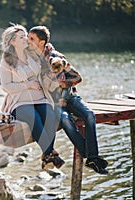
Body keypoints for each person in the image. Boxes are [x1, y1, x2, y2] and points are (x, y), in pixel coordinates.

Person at [27, 25, 108, 174]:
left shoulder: (57, 58)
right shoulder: (32, 59)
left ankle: (92, 158)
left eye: (31, 38)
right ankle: (92, 158)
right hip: (54, 103)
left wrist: (63, 83)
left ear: (42, 42)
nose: (28, 40)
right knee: (65, 121)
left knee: (89, 115)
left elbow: (78, 77)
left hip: (70, 97)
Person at [0, 24, 65, 170]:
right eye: (21, 37)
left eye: (25, 36)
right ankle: (50, 154)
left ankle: (47, 156)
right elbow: (6, 86)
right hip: (19, 102)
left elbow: (49, 51)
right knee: (34, 117)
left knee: (51, 115)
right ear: (12, 41)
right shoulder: (7, 60)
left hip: (40, 98)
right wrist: (27, 85)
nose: (25, 39)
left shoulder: (32, 54)